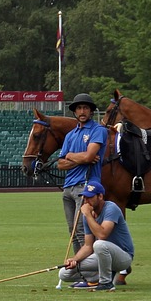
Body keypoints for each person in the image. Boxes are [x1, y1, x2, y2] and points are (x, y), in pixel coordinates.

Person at [58, 179, 134, 292]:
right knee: (64, 273)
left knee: (99, 244)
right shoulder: (88, 215)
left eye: (90, 197)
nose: (86, 201)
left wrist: (88, 215)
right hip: (103, 255)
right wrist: (75, 260)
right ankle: (99, 278)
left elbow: (102, 234)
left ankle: (106, 283)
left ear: (100, 196)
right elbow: (88, 246)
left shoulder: (111, 208)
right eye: (85, 197)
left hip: (123, 257)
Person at [55, 93, 108, 255]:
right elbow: (60, 164)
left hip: (86, 186)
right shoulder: (71, 135)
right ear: (75, 112)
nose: (82, 111)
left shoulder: (98, 130)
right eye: (79, 108)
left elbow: (89, 156)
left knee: (81, 229)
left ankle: (89, 269)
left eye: (86, 108)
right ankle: (80, 268)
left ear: (91, 111)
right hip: (68, 186)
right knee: (72, 230)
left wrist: (70, 156)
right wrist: (78, 158)